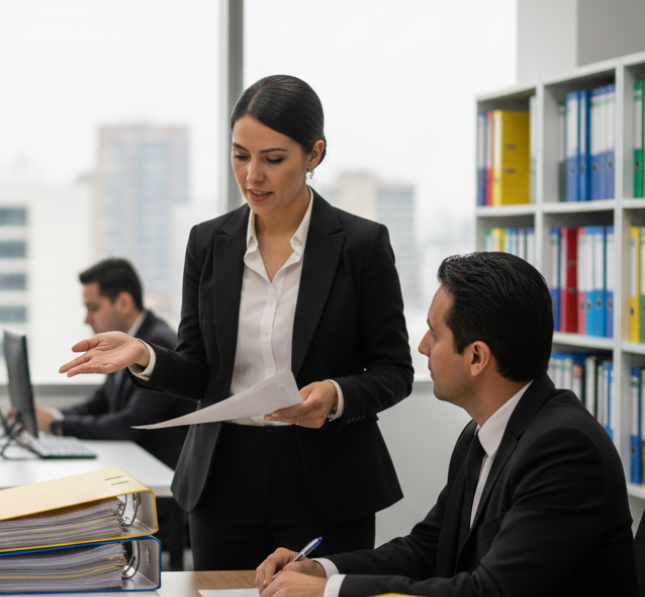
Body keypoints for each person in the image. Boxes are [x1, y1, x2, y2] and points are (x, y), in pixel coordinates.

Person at [256, 252, 645, 597]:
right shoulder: (484, 432)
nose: (421, 347)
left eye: (435, 335)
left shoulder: (565, 449)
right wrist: (324, 568)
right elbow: (426, 550)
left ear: (477, 357)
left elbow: (492, 596)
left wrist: (327, 596)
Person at [60, 75, 414, 569]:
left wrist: (335, 395)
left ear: (314, 155)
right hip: (223, 477)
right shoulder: (208, 243)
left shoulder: (361, 245)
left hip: (326, 478)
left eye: (273, 159)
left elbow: (395, 371)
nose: (252, 176)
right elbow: (200, 370)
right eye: (240, 155)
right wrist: (145, 356)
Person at [36, 259, 195, 469]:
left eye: (93, 308)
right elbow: (101, 401)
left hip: (161, 474)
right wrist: (53, 415)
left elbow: (133, 423)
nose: (87, 319)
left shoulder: (157, 344)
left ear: (124, 303)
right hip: (136, 464)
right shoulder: (127, 338)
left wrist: (58, 426)